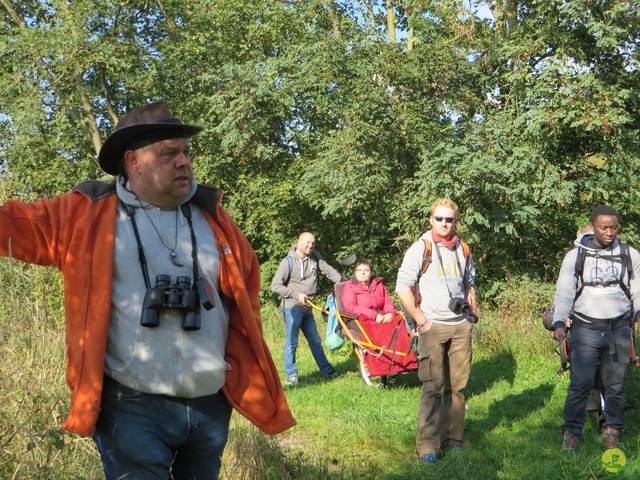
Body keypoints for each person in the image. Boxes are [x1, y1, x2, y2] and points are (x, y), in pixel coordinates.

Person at [0, 101, 295, 479]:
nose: (184, 162)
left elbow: (247, 299)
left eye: (186, 152)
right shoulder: (84, 215)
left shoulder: (215, 219)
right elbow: (11, 225)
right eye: (169, 153)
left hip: (209, 404)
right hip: (131, 408)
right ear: (133, 162)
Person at [395, 198, 477, 465]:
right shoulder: (421, 249)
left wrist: (471, 317)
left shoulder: (463, 249)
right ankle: (428, 447)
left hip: (460, 327)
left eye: (449, 219)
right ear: (431, 220)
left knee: (457, 389)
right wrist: (421, 320)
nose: (444, 223)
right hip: (432, 327)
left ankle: (453, 440)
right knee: (433, 387)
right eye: (439, 218)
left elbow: (469, 285)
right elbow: (402, 287)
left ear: (456, 221)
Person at [553, 205, 640, 452]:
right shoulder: (576, 255)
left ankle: (612, 430)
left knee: (616, 385)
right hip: (585, 329)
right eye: (604, 227)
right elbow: (565, 291)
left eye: (614, 227)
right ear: (593, 227)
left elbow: (637, 289)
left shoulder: (629, 254)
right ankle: (571, 433)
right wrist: (560, 323)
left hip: (619, 328)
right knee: (580, 384)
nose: (609, 232)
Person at [271, 232, 344, 385]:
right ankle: (291, 376)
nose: (310, 245)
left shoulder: (315, 257)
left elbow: (329, 272)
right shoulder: (288, 262)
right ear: (299, 242)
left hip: (307, 309)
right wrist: (296, 294)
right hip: (292, 307)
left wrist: (346, 284)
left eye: (313, 243)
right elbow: (275, 286)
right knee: (292, 342)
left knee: (315, 341)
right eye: (307, 242)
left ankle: (327, 371)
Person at [342, 259, 418, 376]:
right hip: (364, 317)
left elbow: (387, 301)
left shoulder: (378, 284)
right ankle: (385, 367)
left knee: (398, 322)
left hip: (382, 313)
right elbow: (350, 307)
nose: (362, 273)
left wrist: (390, 313)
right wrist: (373, 315)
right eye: (359, 270)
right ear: (355, 273)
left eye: (366, 270)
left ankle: (404, 363)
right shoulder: (350, 286)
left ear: (371, 273)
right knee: (378, 329)